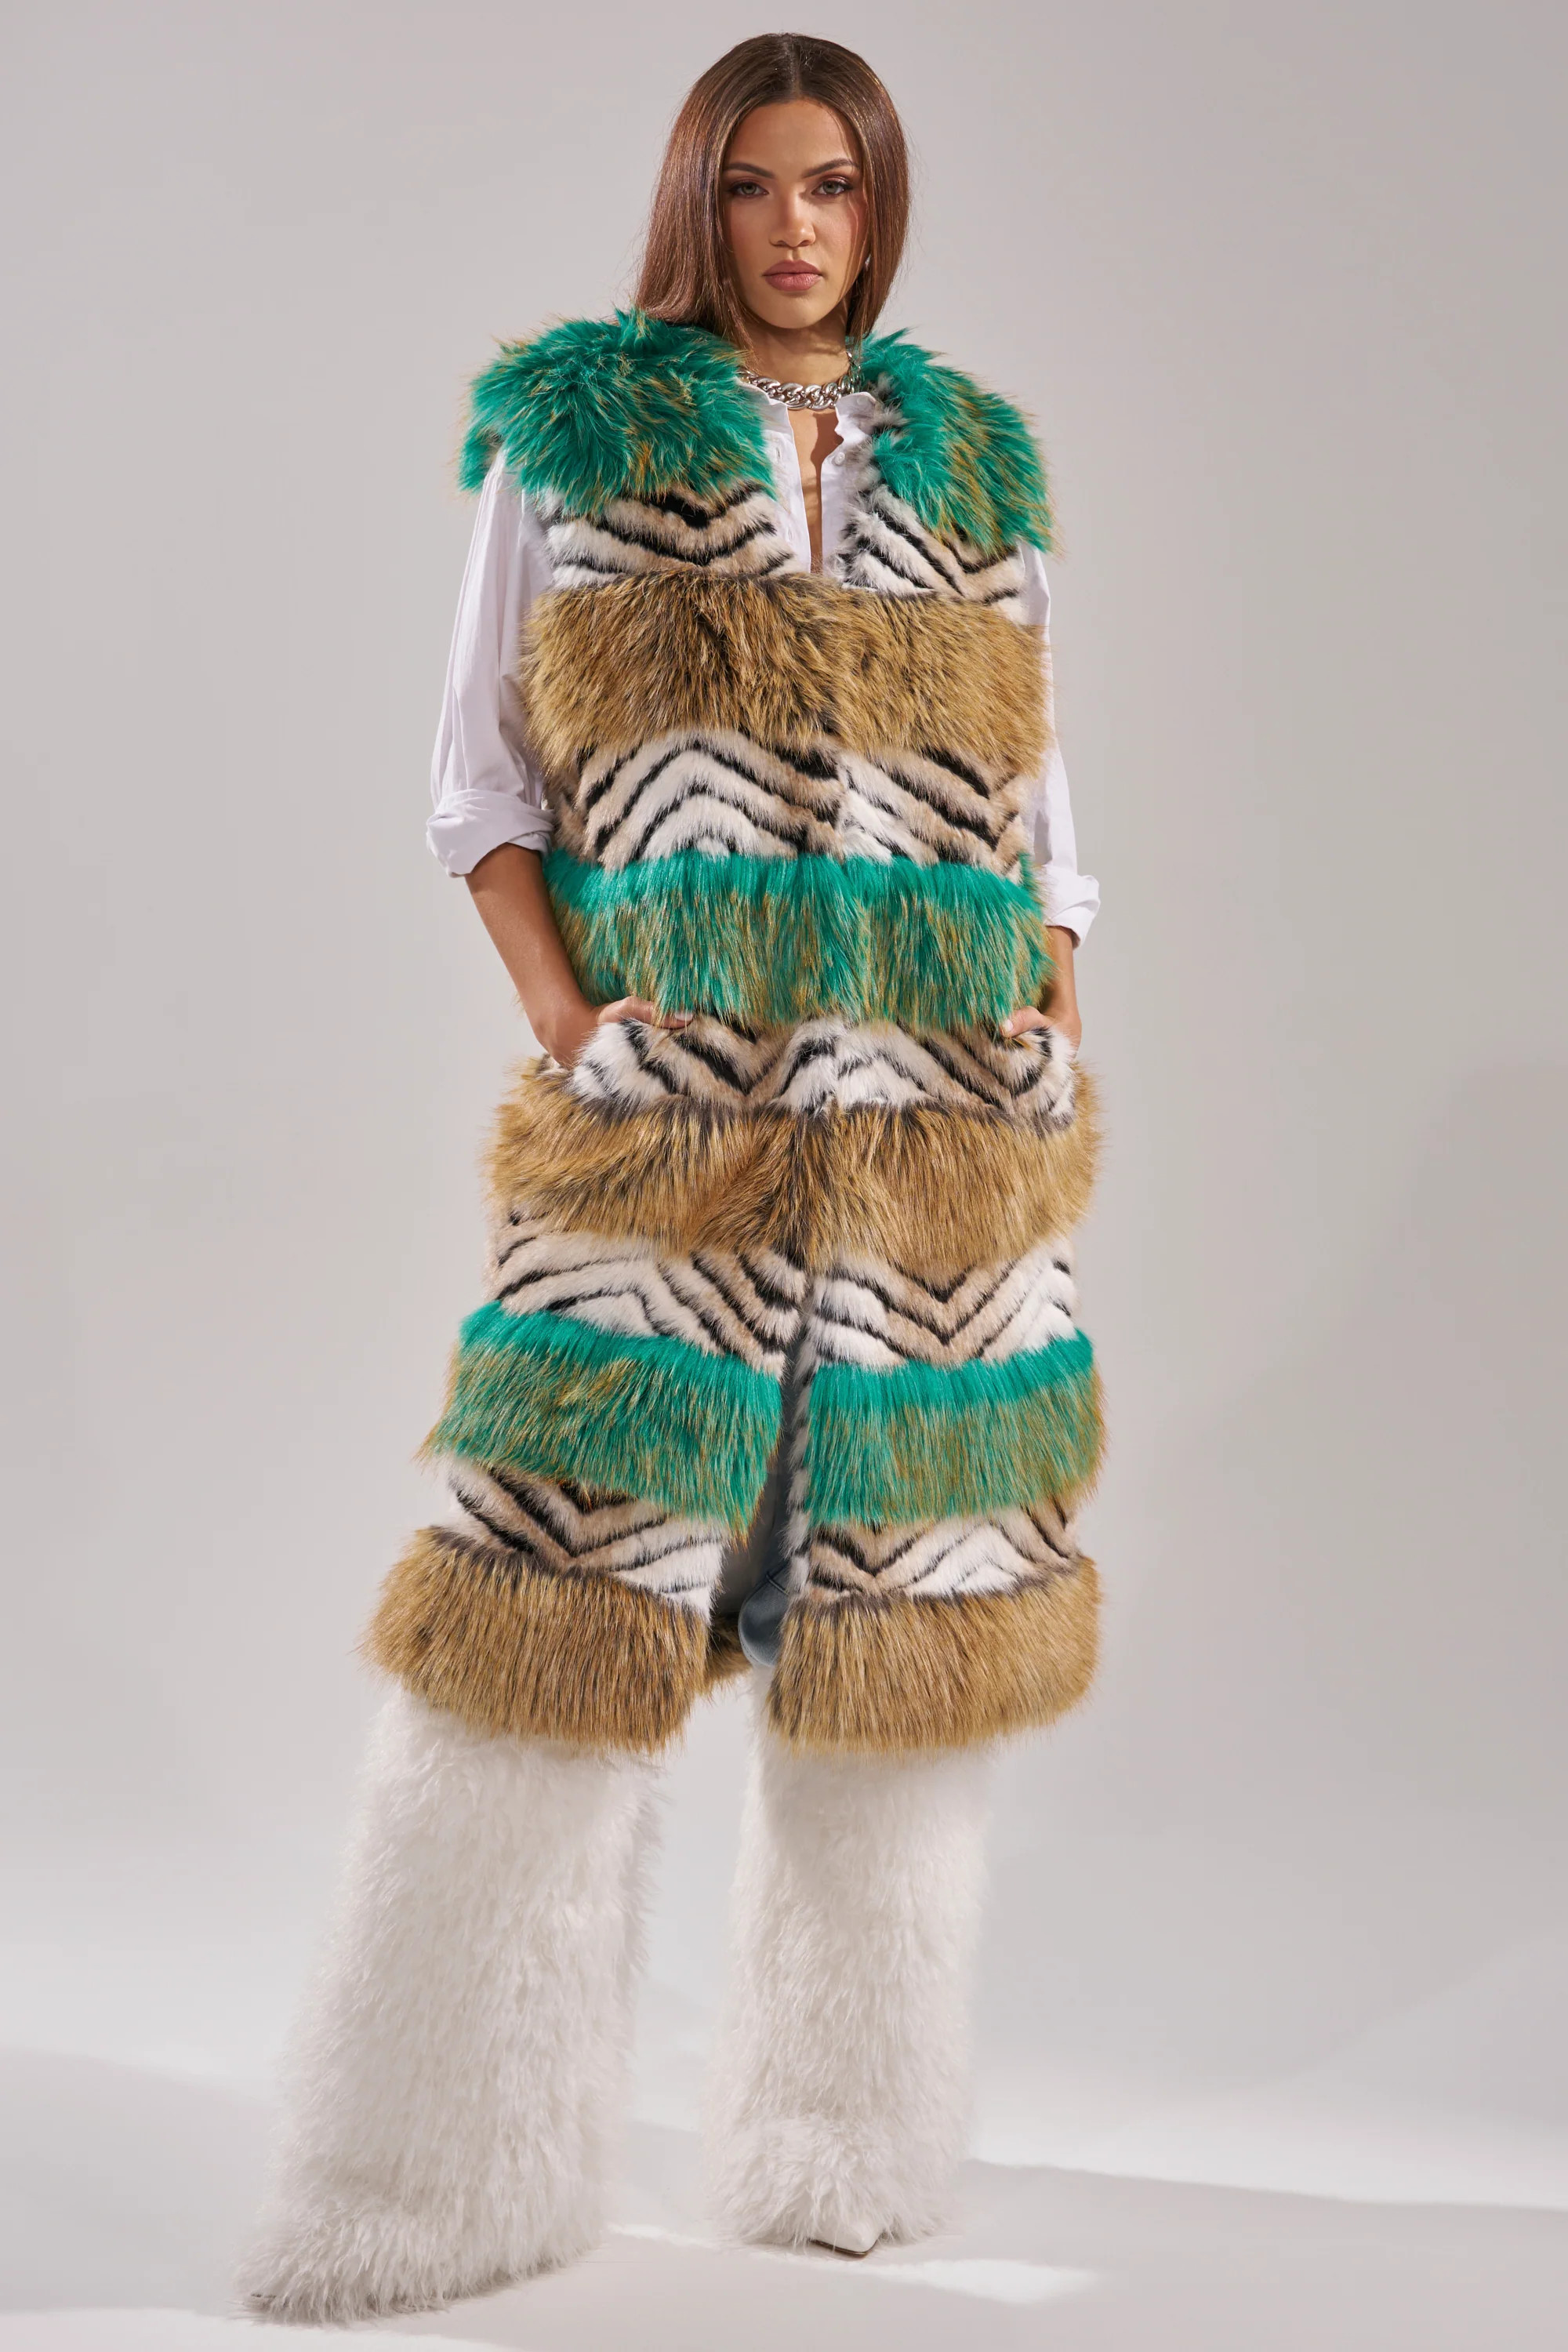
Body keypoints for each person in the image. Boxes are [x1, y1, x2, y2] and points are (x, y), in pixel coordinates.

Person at [241, 31, 1103, 2324]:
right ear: (694, 198)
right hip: (671, 1143)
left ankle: (845, 2148)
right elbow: (481, 785)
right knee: (540, 1624)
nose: (794, 228)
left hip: (938, 1159)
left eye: (834, 185)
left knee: (896, 1655)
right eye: (752, 184)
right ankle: (429, 2183)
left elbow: (1046, 820)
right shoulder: (585, 434)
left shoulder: (978, 466)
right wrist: (580, 1025)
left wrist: (1045, 1027)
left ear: (877, 206)